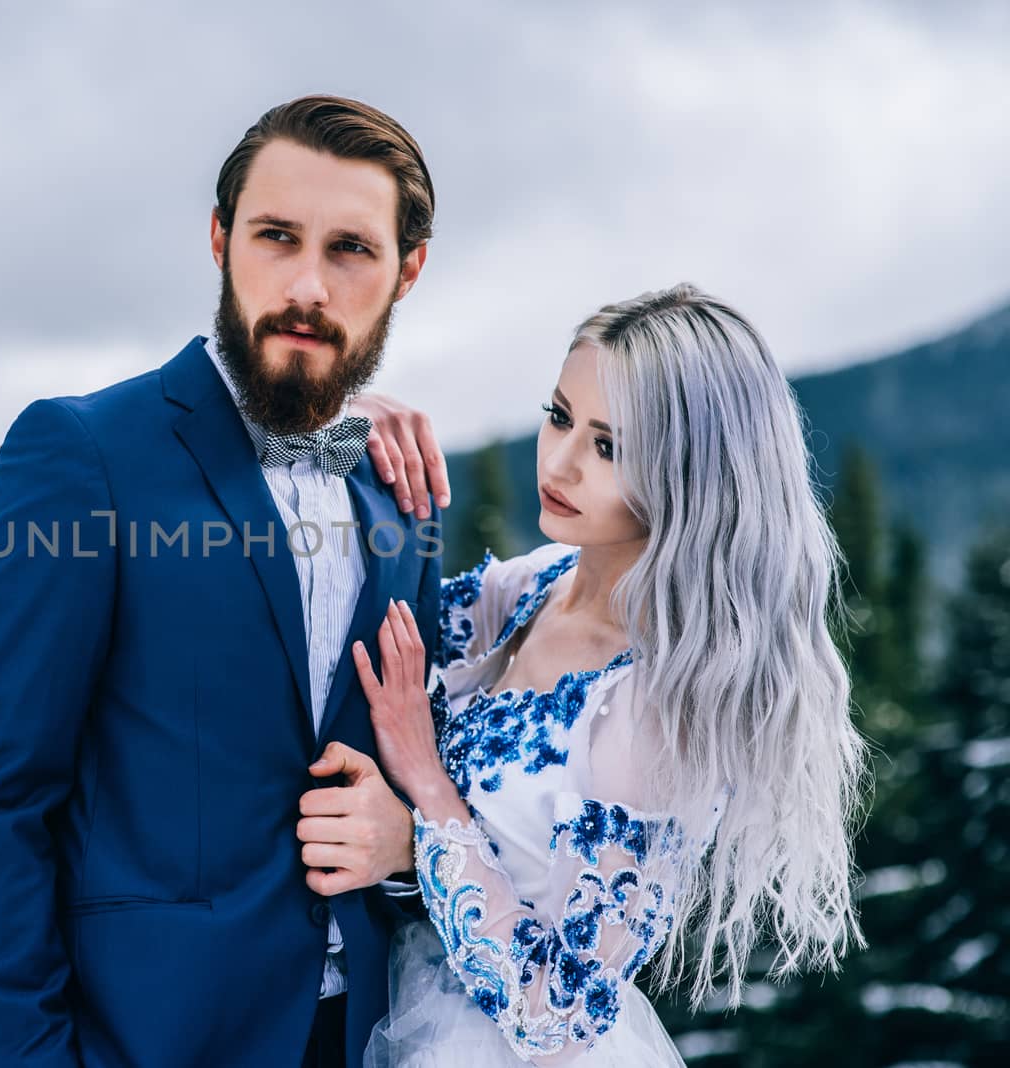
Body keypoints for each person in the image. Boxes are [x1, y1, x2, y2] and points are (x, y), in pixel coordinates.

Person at [0, 94, 456, 1068]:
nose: (306, 286)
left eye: (350, 250)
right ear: (219, 238)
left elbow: (438, 748)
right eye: (275, 237)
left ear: (406, 269)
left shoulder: (401, 496)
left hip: (375, 1039)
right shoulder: (82, 455)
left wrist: (408, 839)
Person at [348, 285, 868, 1065]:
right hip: (391, 1003)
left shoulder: (660, 707)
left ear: (691, 475)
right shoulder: (529, 589)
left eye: (609, 446)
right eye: (559, 417)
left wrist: (425, 796)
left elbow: (556, 1015)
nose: (559, 463)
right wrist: (344, 417)